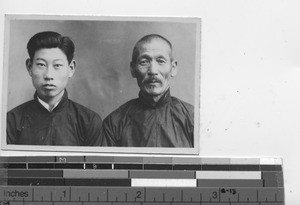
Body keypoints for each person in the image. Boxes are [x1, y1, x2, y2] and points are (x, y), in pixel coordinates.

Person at [7, 31, 102, 146]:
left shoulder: (89, 121)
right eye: (41, 65)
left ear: (71, 68)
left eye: (57, 65)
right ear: (29, 67)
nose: (48, 75)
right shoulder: (11, 120)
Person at [101, 34, 194, 147]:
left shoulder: (193, 118)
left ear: (173, 68)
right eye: (144, 62)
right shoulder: (114, 123)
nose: (153, 71)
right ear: (133, 69)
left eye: (161, 61)